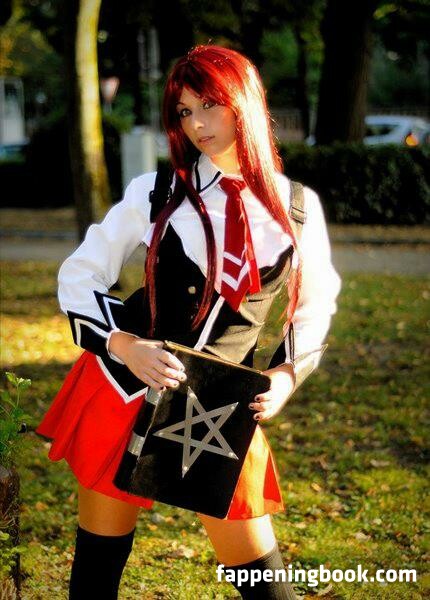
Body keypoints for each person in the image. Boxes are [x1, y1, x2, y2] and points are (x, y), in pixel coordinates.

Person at [36, 44, 341, 599]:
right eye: (184, 111)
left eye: (210, 105)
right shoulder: (155, 193)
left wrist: (286, 376)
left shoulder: (296, 207)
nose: (197, 124)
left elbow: (315, 304)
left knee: (264, 584)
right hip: (125, 389)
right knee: (97, 575)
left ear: (244, 103)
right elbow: (79, 275)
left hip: (219, 406)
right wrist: (124, 345)